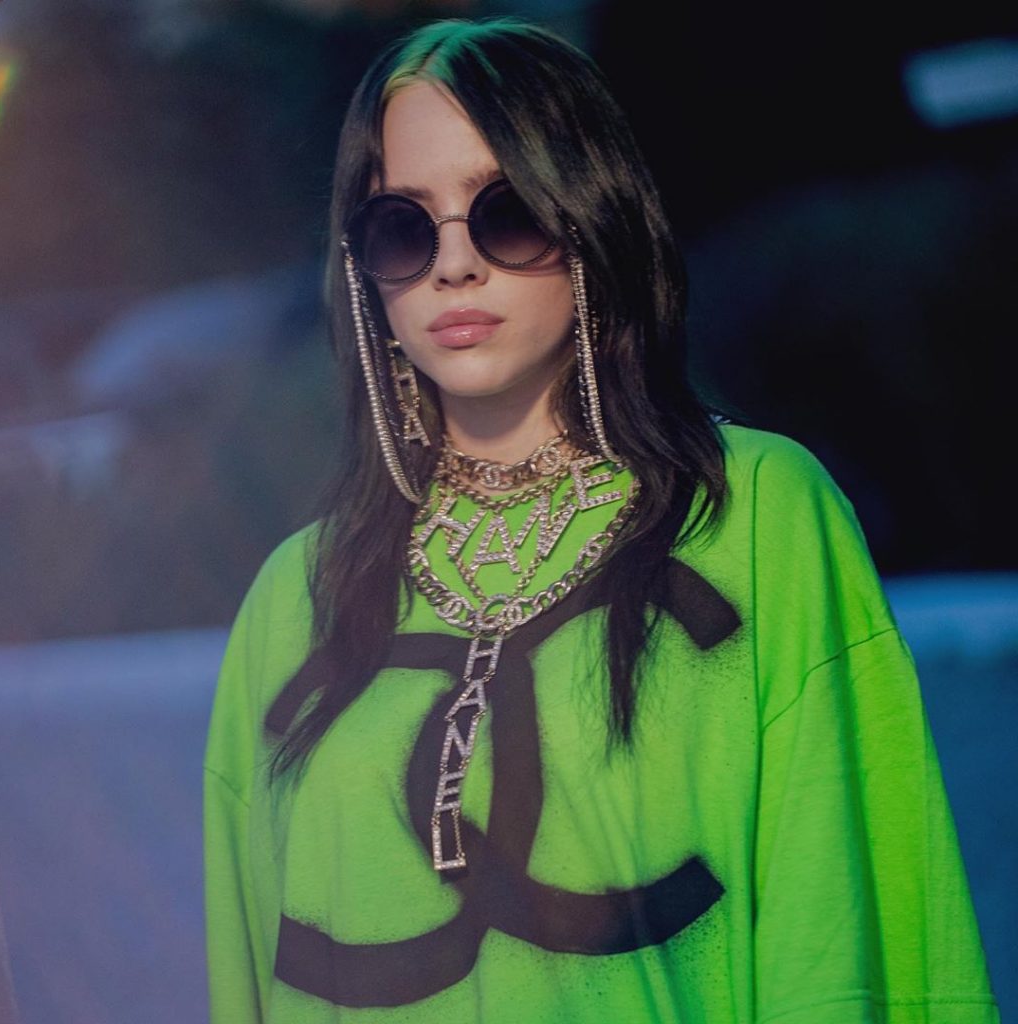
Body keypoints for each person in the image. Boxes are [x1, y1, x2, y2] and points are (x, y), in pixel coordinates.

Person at [203, 18, 1000, 1024]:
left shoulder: (753, 512)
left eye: (506, 214)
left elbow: (840, 926)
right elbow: (252, 970)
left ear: (590, 221)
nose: (455, 264)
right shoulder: (297, 594)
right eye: (403, 227)